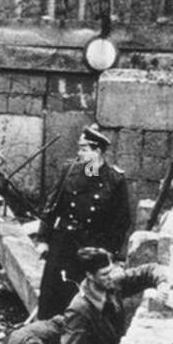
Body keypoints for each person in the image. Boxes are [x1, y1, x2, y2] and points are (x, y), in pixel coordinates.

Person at [36, 125, 132, 319]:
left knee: (83, 300)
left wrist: (109, 254)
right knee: (51, 296)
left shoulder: (114, 180)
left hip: (91, 248)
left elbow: (121, 222)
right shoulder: (69, 170)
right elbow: (51, 206)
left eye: (84, 149)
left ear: (97, 151)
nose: (79, 153)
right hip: (62, 243)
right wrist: (43, 239)